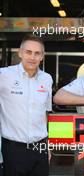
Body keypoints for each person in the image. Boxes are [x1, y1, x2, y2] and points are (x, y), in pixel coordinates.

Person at [0, 34, 53, 176]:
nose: (32, 57)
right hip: (13, 149)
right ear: (20, 53)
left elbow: (45, 114)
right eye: (28, 52)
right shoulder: (4, 75)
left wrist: (46, 145)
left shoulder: (47, 79)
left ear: (42, 56)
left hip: (40, 147)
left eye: (37, 53)